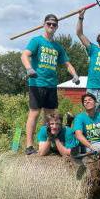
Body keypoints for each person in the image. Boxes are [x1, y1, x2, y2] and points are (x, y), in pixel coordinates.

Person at [21, 14, 80, 155]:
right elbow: (24, 55)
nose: (51, 26)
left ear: (57, 27)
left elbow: (67, 63)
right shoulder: (37, 41)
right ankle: (29, 146)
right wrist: (29, 68)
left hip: (51, 85)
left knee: (50, 117)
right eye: (49, 24)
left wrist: (75, 74)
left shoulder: (57, 47)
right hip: (37, 83)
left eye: (54, 24)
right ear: (44, 24)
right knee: (34, 114)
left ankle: (47, 144)